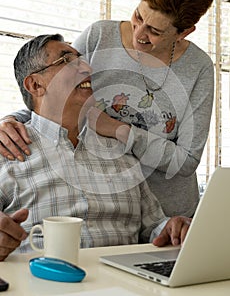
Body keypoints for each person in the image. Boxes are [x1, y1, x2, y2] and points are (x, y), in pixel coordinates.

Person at [0, 0, 214, 218]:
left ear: (184, 32)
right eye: (138, 16)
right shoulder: (99, 36)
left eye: (155, 31)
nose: (139, 34)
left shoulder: (199, 68)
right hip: (103, 202)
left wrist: (117, 129)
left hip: (167, 214)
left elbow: (187, 161)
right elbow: (52, 91)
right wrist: (10, 121)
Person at [0, 34, 191, 262]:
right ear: (35, 84)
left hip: (125, 285)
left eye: (81, 58)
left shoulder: (120, 151)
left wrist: (174, 229)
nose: (86, 67)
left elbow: (154, 227)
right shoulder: (7, 150)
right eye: (67, 60)